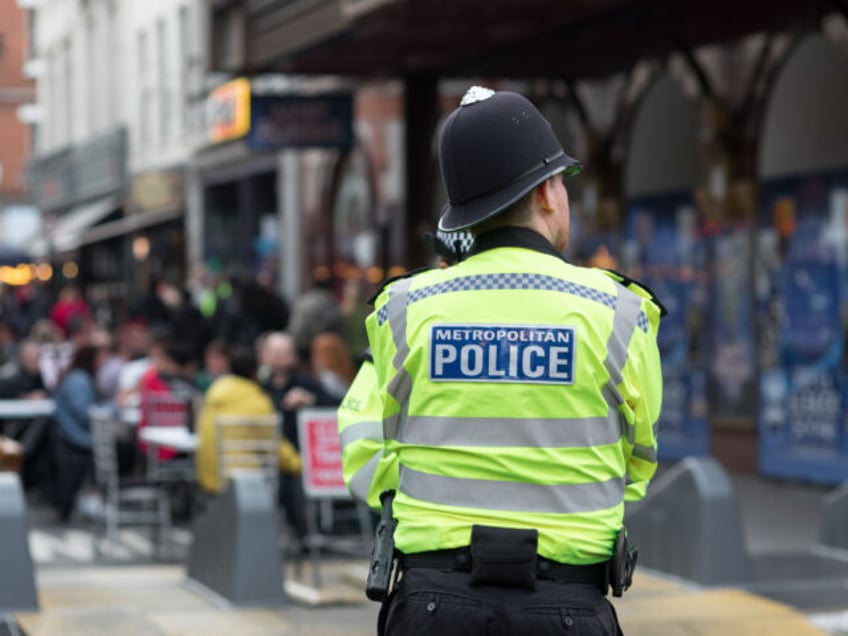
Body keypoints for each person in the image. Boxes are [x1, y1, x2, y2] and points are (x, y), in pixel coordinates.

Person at [341, 86, 664, 636]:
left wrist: (433, 498)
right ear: (544, 193)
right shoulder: (619, 312)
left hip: (433, 606)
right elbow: (637, 459)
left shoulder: (403, 310)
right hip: (566, 607)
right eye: (562, 181)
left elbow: (364, 447)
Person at [194, 344, 300, 495]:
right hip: (244, 480)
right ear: (256, 372)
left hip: (208, 477)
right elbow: (275, 447)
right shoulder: (257, 401)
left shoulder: (214, 391)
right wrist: (300, 465)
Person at [52, 344, 108, 522]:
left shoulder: (81, 378)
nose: (102, 363)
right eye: (100, 358)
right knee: (70, 482)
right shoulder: (78, 380)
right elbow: (84, 413)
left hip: (76, 438)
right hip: (74, 439)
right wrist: (112, 409)